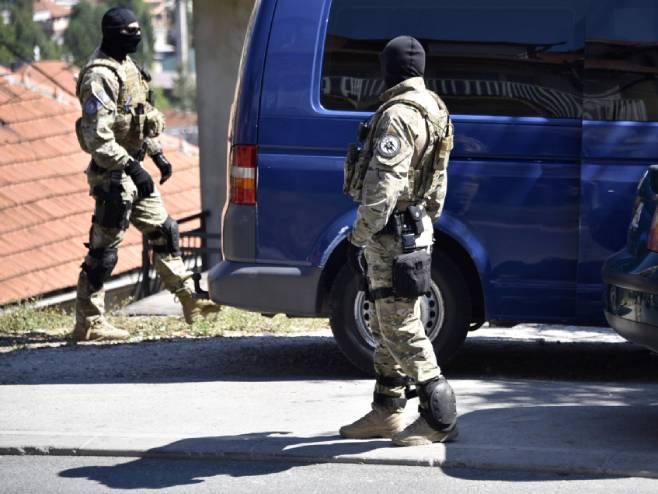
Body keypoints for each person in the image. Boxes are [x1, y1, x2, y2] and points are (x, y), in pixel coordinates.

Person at [72, 6, 220, 341]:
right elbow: (98, 138)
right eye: (130, 32)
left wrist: (157, 154)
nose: (137, 37)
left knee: (165, 231)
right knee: (103, 252)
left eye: (139, 31)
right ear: (112, 34)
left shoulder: (127, 67)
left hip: (134, 170)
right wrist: (132, 168)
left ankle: (189, 299)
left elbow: (137, 117)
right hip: (112, 175)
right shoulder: (99, 76)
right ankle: (89, 322)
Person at [339, 36, 457, 446]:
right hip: (415, 228)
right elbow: (438, 180)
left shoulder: (398, 115)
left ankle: (439, 416)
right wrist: (425, 222)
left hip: (390, 233)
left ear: (388, 70)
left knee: (400, 324)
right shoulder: (435, 108)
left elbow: (383, 189)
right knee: (386, 318)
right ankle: (387, 410)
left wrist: (358, 237)